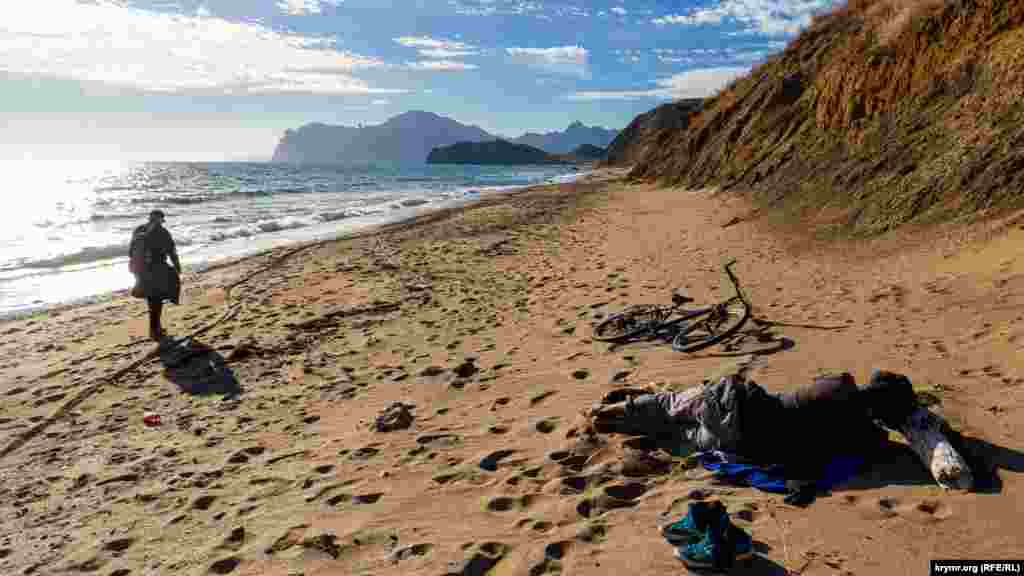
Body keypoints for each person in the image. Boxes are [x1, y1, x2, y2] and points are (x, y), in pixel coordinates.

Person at [591, 369, 918, 472]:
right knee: (684, 438)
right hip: (742, 439)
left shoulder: (841, 383)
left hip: (736, 403)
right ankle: (639, 431)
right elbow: (876, 444)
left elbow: (824, 388)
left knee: (670, 404)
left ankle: (619, 412)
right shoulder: (862, 432)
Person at [131, 209, 181, 341]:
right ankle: (155, 330)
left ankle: (155, 328)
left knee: (151, 299)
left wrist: (136, 269)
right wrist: (177, 266)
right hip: (157, 269)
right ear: (161, 220)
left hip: (141, 269)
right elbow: (172, 251)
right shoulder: (163, 232)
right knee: (157, 300)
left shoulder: (138, 230)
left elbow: (131, 251)